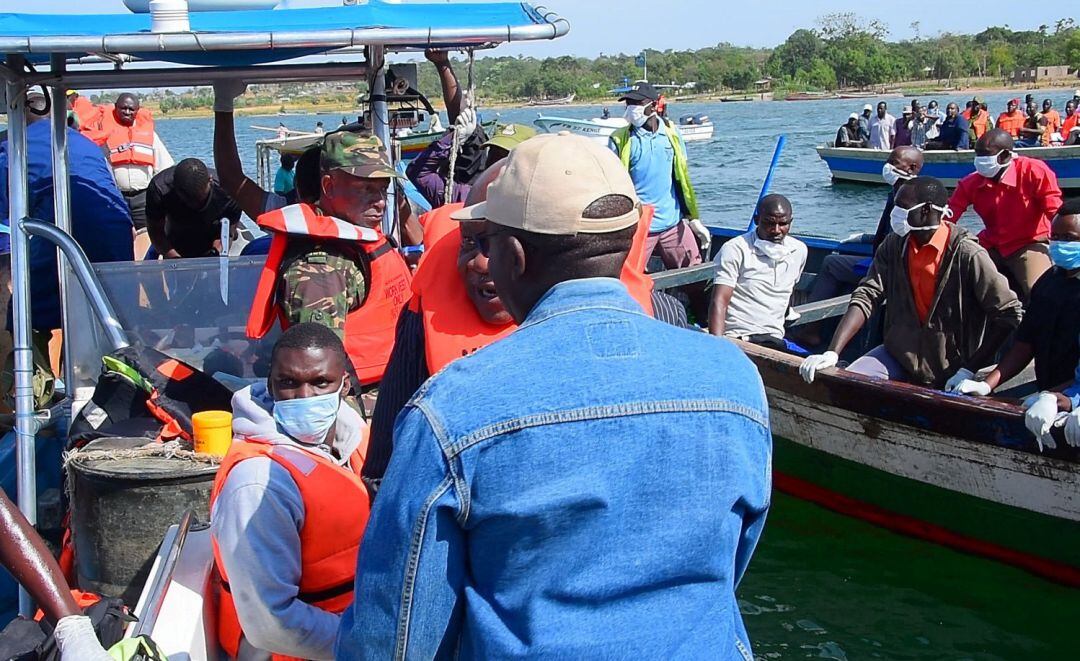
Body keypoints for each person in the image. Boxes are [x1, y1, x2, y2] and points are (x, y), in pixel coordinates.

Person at [338, 132, 771, 660]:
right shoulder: (735, 381)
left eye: (487, 243)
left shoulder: (451, 411)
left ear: (514, 256)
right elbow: (732, 562)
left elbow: (396, 636)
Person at [363, 162, 689, 492]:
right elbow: (385, 474)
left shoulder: (663, 318)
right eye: (469, 243)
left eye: (498, 244)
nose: (480, 262)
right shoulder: (422, 325)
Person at [210, 322, 369, 660]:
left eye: (320, 382)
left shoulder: (354, 434)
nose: (304, 397)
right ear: (270, 385)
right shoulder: (257, 482)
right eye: (289, 383)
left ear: (344, 384)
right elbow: (270, 622)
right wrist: (368, 644)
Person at [799, 177, 1022, 389]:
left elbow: (1009, 313)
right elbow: (868, 294)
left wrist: (969, 369)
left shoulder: (968, 254)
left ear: (926, 210)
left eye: (902, 206)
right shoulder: (895, 244)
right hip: (898, 353)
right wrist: (832, 352)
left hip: (951, 366)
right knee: (847, 384)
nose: (895, 214)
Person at [246, 132, 412, 386]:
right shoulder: (319, 271)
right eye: (366, 188)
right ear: (329, 186)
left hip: (392, 386)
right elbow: (316, 379)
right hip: (359, 407)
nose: (380, 202)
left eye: (383, 189)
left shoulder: (358, 245)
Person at [0, 92, 134, 334]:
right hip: (117, 235)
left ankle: (30, 366)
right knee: (107, 315)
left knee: (25, 314)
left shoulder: (13, 147)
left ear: (18, 116)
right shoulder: (87, 144)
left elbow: (3, 211)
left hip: (68, 232)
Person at [950, 199, 1080, 398]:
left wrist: (1058, 398)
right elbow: (1024, 344)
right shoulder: (1049, 282)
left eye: (1069, 238)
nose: (1060, 244)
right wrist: (986, 384)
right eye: (1055, 237)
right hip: (1048, 392)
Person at [947, 129, 1063, 301]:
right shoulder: (970, 182)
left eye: (985, 155)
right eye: (977, 154)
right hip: (991, 243)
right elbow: (949, 215)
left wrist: (1066, 242)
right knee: (956, 281)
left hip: (1029, 243)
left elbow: (1055, 211)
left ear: (1005, 155)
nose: (980, 160)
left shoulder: (1033, 170)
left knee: (1039, 291)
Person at [609, 81, 710, 268]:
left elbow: (682, 179)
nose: (632, 108)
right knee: (630, 281)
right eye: (628, 103)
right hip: (639, 228)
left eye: (637, 104)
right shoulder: (619, 140)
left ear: (654, 105)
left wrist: (693, 218)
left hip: (672, 223)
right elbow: (613, 186)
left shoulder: (671, 134)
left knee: (695, 275)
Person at [709, 194, 807, 350]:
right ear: (756, 220)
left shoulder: (799, 250)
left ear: (791, 222)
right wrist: (718, 347)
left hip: (774, 337)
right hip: (739, 337)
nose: (776, 230)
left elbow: (789, 290)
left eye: (783, 224)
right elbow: (719, 301)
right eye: (769, 223)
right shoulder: (736, 249)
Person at [98, 92, 174, 258]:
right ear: (115, 108)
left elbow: (166, 168)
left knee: (152, 236)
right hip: (116, 197)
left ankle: (151, 272)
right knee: (118, 235)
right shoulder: (105, 136)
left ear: (137, 111)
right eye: (123, 108)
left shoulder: (150, 136)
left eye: (131, 109)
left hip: (143, 196)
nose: (127, 112)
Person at [145, 158, 242, 259]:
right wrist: (176, 260)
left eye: (200, 200)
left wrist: (214, 254)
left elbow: (227, 234)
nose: (195, 205)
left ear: (210, 180)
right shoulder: (160, 189)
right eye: (189, 201)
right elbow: (156, 232)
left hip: (212, 239)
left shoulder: (229, 192)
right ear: (175, 188)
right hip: (173, 241)